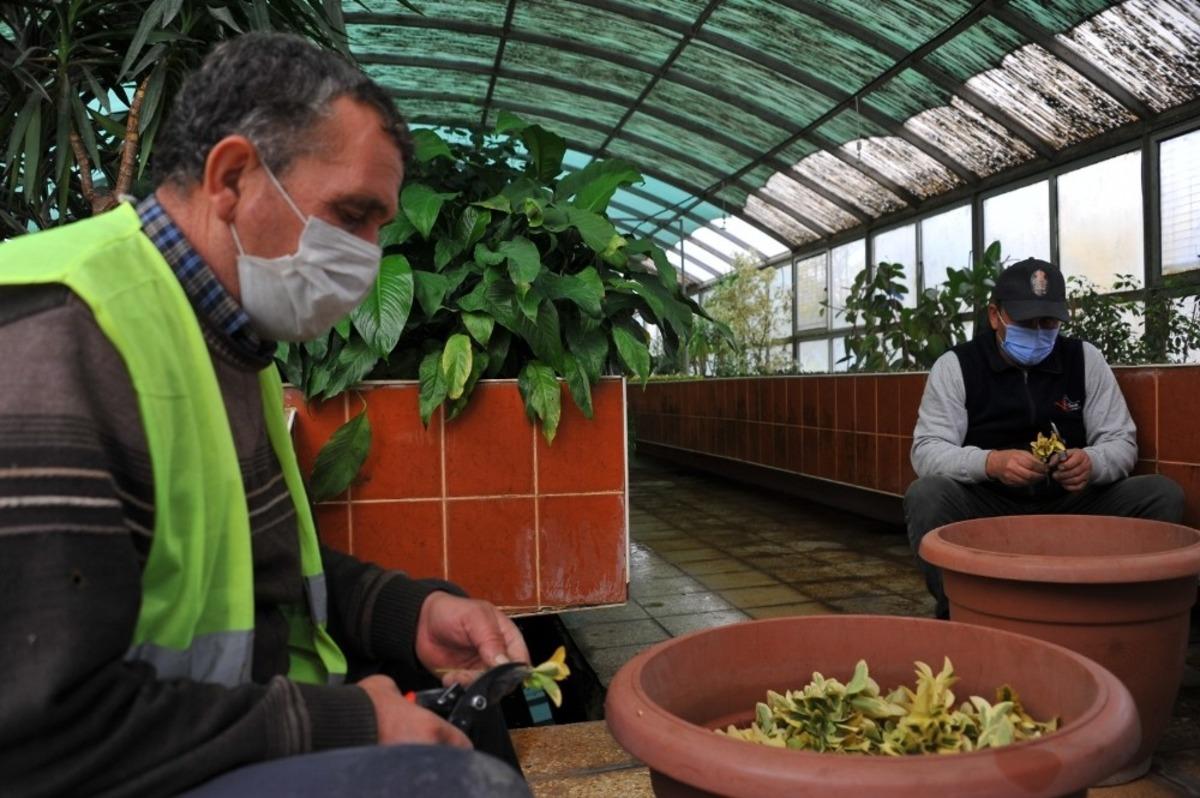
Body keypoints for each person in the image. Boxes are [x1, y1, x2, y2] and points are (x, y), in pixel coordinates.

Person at [0, 33, 531, 798]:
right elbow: (36, 732)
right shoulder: (58, 340)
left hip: (177, 731)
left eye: (380, 226)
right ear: (234, 176)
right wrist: (345, 722)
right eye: (351, 215)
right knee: (451, 785)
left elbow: (258, 575)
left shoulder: (224, 333)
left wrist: (406, 612)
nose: (368, 258)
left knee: (461, 697)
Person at [905, 257, 1185, 619]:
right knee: (926, 495)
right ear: (995, 316)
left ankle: (1125, 613)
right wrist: (990, 463)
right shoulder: (957, 366)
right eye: (1025, 322)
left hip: (1071, 504)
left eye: (1048, 322)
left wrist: (1092, 463)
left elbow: (1120, 439)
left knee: (1160, 495)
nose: (1038, 332)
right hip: (989, 507)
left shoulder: (1084, 359)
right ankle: (959, 610)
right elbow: (928, 450)